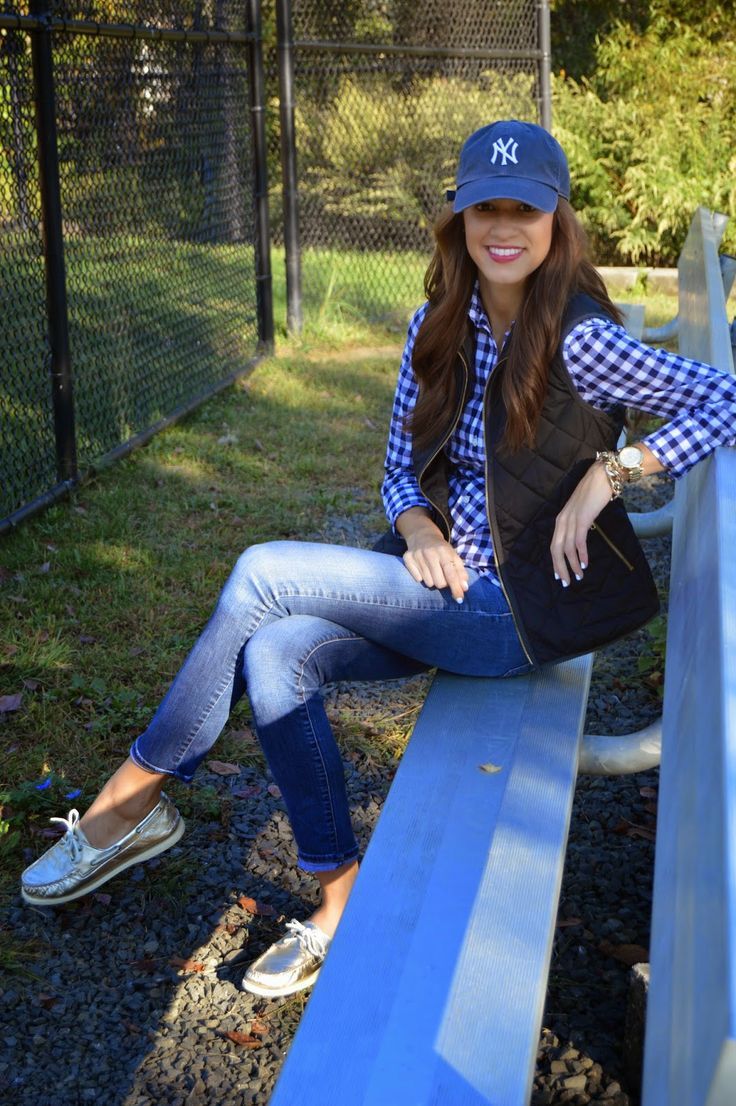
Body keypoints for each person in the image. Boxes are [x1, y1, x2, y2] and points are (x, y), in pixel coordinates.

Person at [21, 119, 736, 999]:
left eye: (525, 209)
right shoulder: (437, 323)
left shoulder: (580, 339)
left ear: (558, 224)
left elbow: (725, 396)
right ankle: (337, 902)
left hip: (511, 614)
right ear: (459, 219)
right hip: (428, 587)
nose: (502, 228)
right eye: (484, 208)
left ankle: (128, 802)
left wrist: (613, 472)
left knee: (260, 573)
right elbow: (401, 462)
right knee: (276, 653)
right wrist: (420, 527)